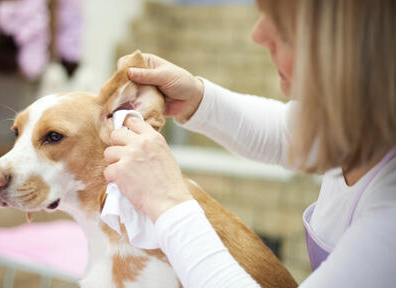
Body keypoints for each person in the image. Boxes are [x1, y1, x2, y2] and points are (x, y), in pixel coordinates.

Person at [103, 0, 396, 287]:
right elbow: (285, 131)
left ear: (349, 52)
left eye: (282, 29)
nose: (258, 34)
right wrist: (195, 98)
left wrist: (167, 202)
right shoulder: (361, 123)